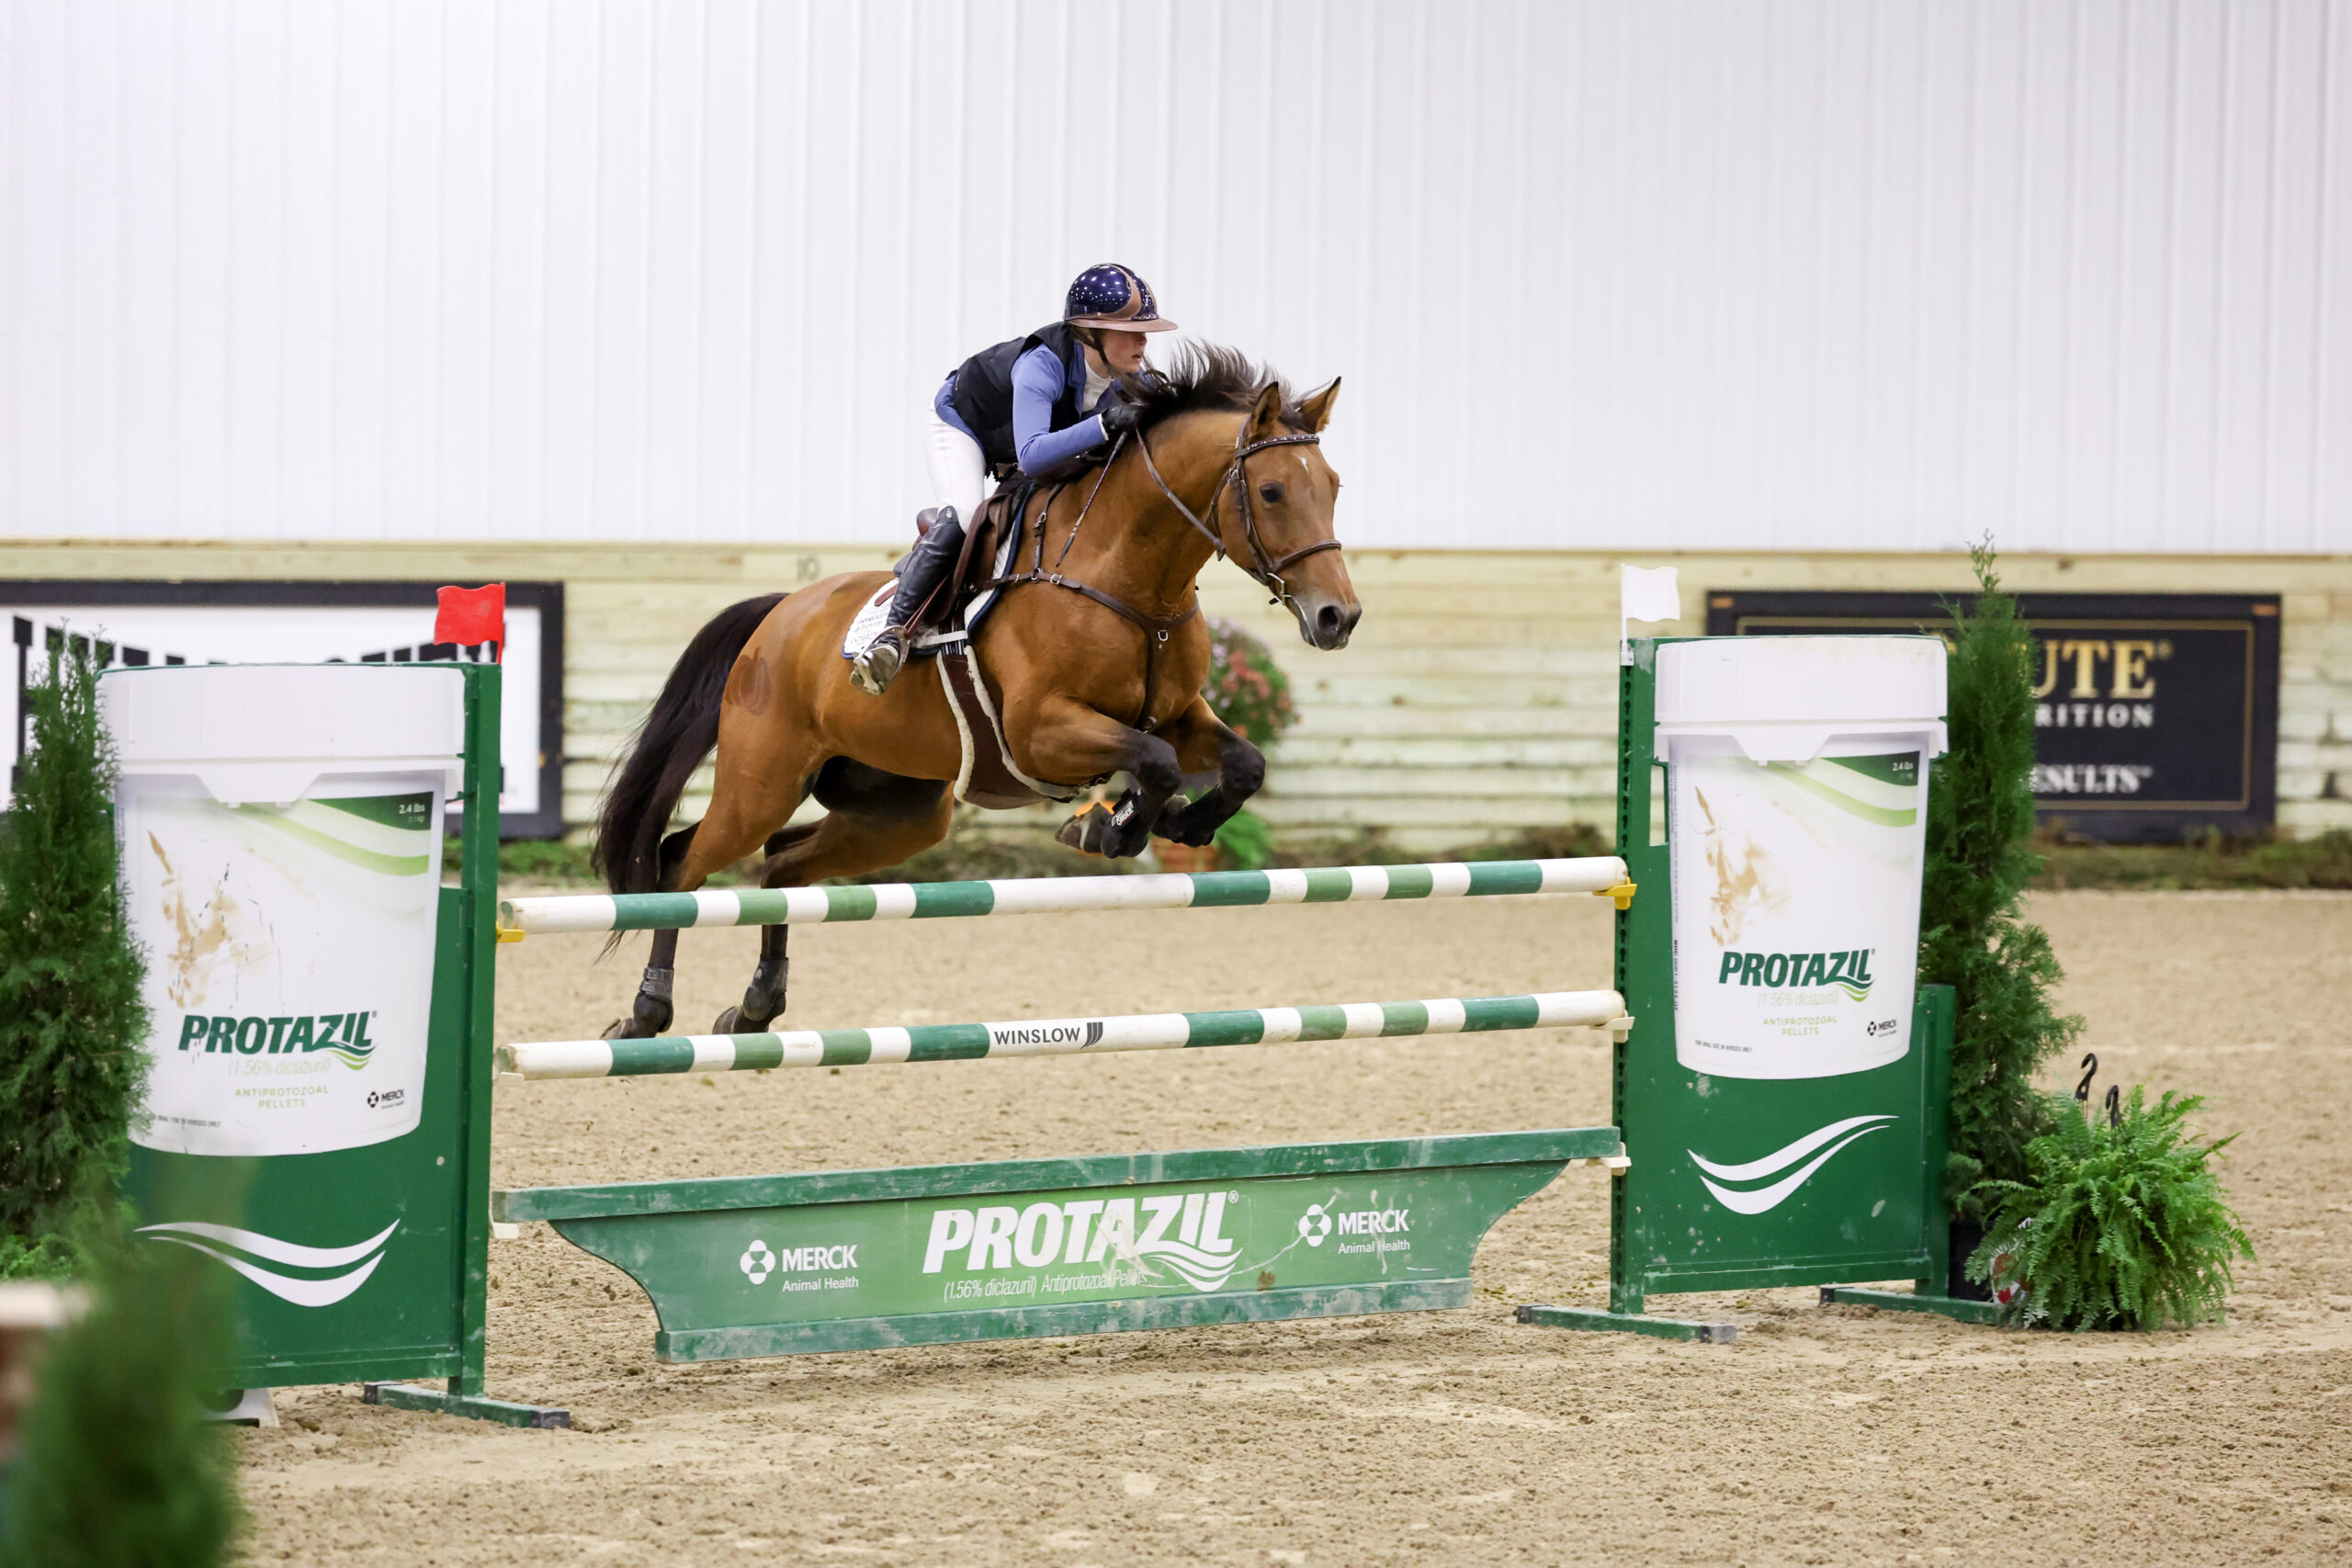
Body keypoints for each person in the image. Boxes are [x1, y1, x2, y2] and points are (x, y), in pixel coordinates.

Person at [850, 263, 1178, 695]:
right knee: (966, 513)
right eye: (1129, 331)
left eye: (1145, 330)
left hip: (1023, 439)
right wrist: (1103, 425)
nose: (1143, 340)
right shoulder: (1042, 365)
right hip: (964, 425)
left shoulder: (1133, 376)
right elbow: (1033, 456)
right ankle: (891, 635)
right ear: (1089, 333)